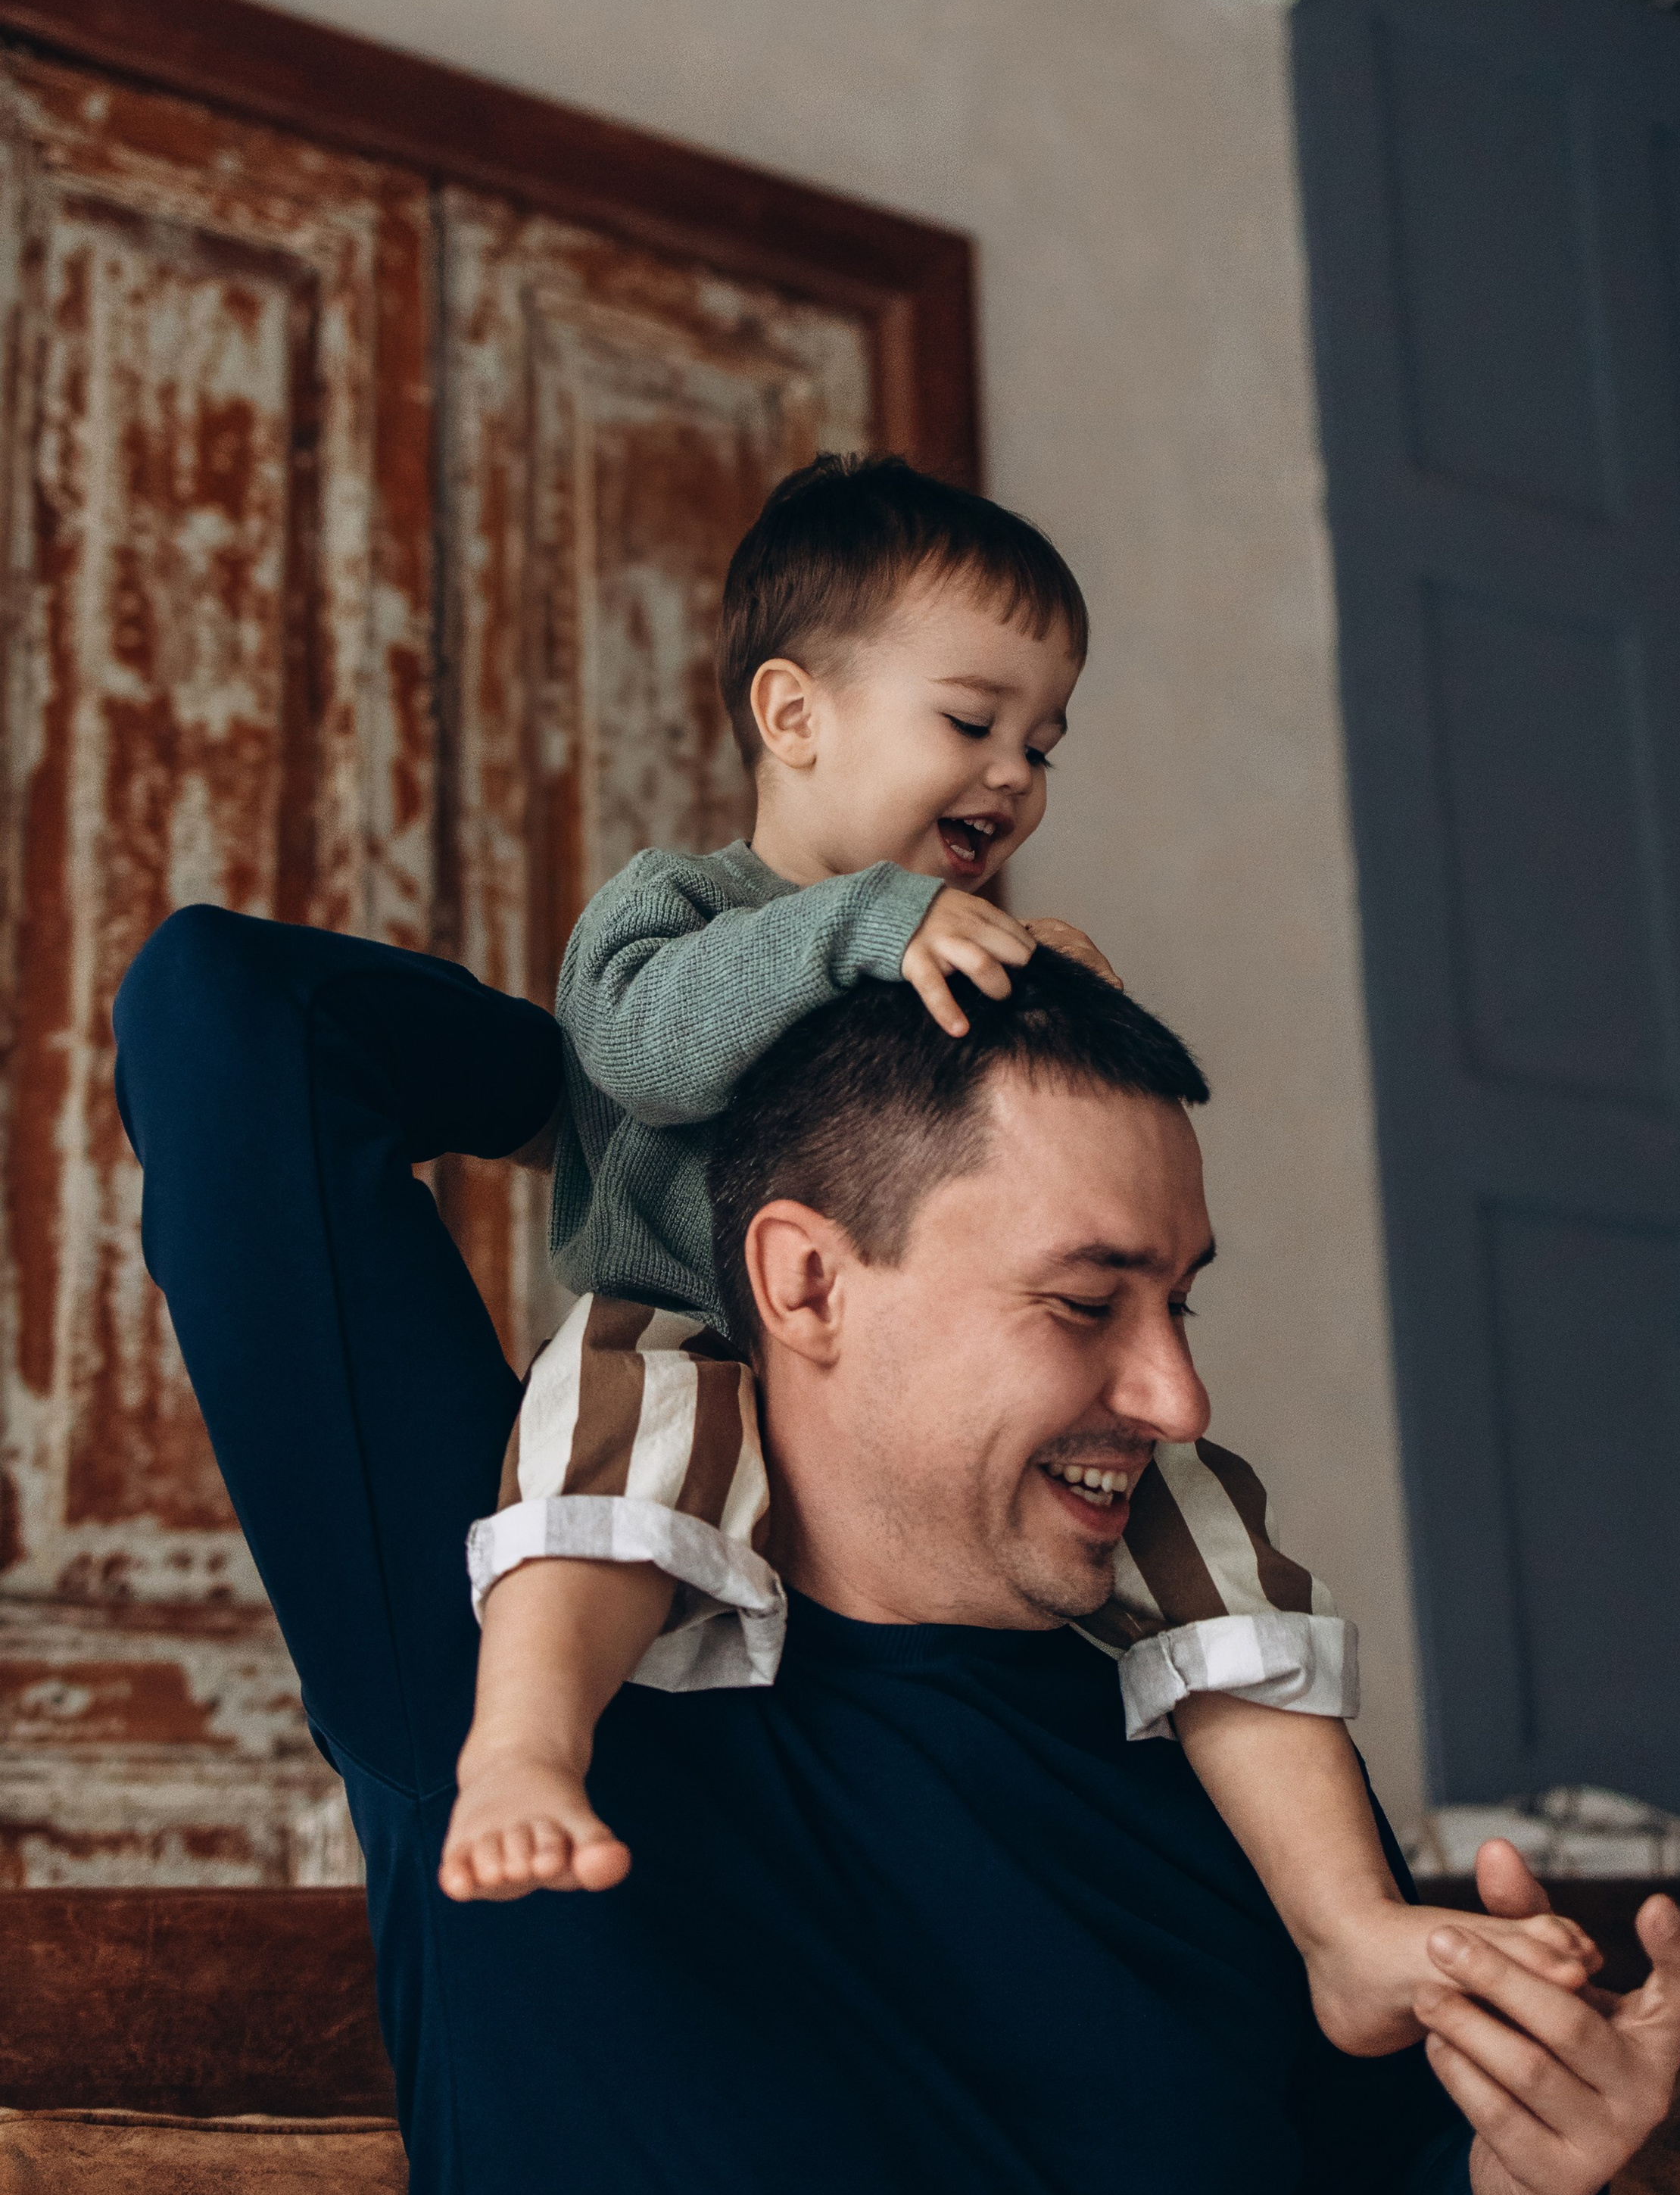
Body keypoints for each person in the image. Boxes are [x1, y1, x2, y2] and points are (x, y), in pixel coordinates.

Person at [114, 912, 1680, 2195]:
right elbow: (236, 1018)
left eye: (1178, 1301)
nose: (1177, 1396)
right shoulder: (504, 1648)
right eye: (1085, 1303)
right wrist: (664, 1092)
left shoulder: (1234, 1740)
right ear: (803, 1281)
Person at [444, 452, 1599, 2055]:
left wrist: (1045, 1009)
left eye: (1041, 744)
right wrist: (865, 928)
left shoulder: (968, 937)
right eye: (972, 722)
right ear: (792, 715)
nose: (1013, 775)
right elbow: (637, 1052)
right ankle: (522, 1746)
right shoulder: (683, 911)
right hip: (693, 1325)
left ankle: (1342, 1918)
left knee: (1201, 1516)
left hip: (906, 1396)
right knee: (607, 1424)